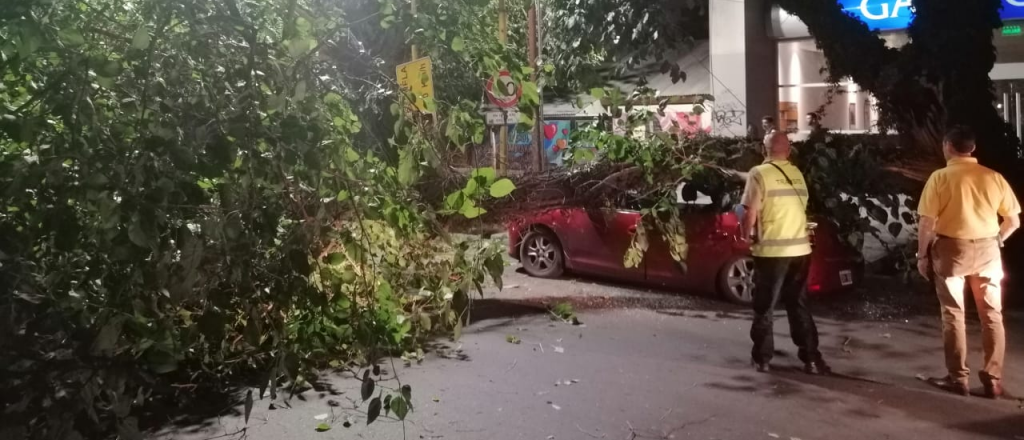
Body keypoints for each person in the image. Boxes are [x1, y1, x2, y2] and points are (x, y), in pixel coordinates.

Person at [916, 126, 1020, 398]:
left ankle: (958, 378)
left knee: (953, 314)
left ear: (948, 146)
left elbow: (927, 223)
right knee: (992, 316)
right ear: (972, 148)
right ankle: (993, 378)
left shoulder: (940, 178)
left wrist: (921, 255)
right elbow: (1013, 221)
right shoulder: (993, 177)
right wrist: (998, 240)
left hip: (952, 250)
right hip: (988, 250)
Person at [740, 132, 829, 374]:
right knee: (798, 304)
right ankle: (811, 359)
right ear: (789, 151)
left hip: (772, 251)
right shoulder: (796, 174)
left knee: (765, 306)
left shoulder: (758, 173)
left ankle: (762, 358)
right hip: (800, 251)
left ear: (763, 149)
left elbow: (749, 213)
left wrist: (744, 235)